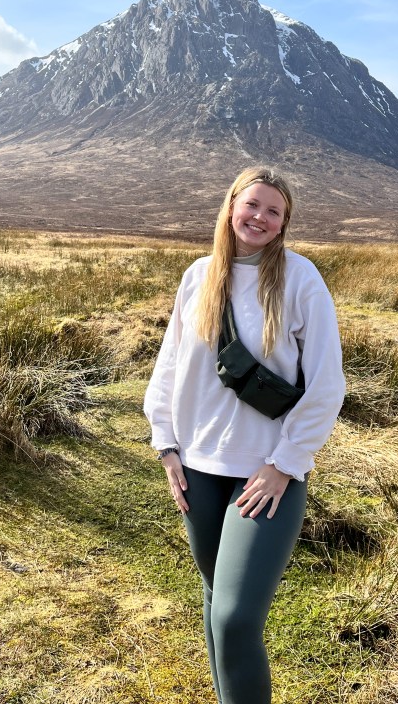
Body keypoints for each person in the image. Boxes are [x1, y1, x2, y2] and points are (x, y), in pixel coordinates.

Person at [144, 166, 345, 704]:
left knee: (234, 619)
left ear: (283, 225)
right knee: (213, 599)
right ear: (231, 206)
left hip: (265, 472)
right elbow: (168, 369)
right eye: (252, 204)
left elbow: (327, 385)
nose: (260, 217)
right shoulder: (198, 275)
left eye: (274, 211)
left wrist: (285, 463)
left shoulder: (301, 279)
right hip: (197, 467)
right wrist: (166, 446)